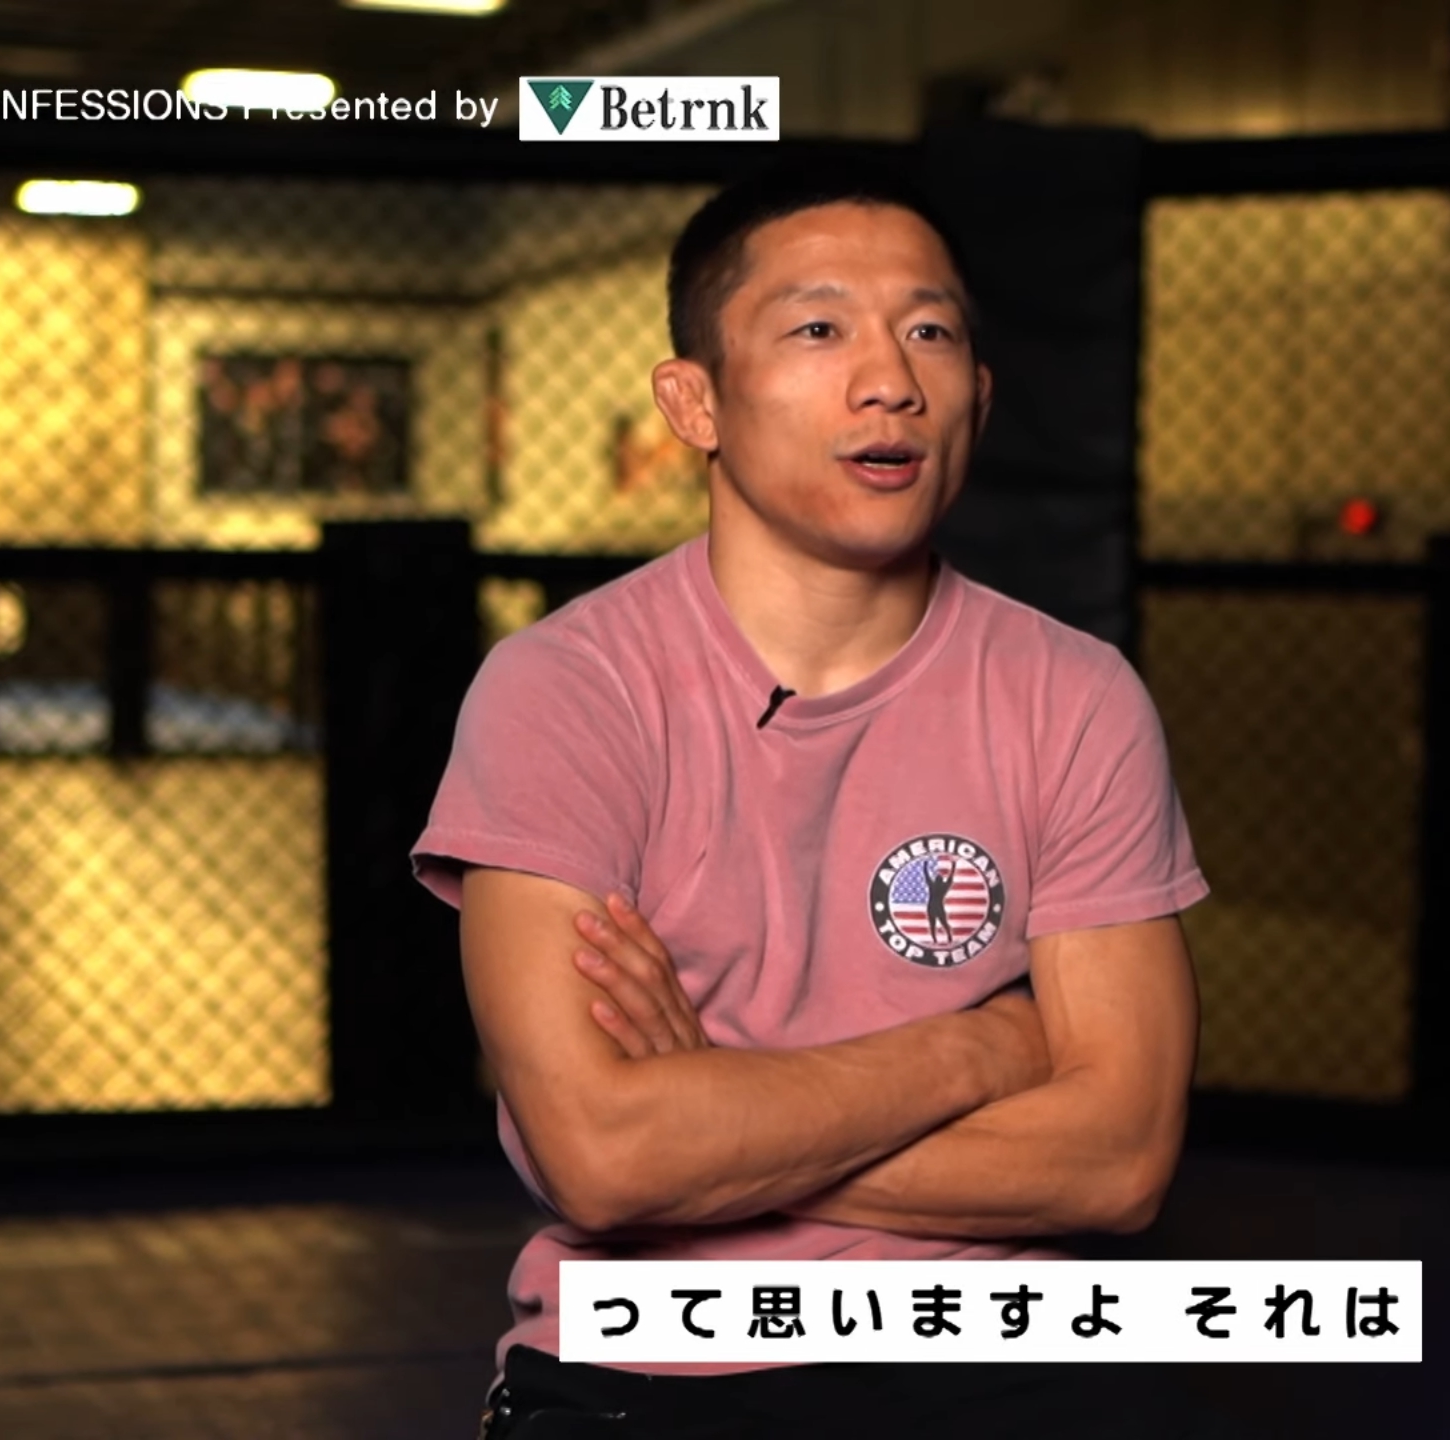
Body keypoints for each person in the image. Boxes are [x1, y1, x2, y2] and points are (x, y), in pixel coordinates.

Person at [411, 157, 1209, 1438]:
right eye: (819, 329)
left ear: (980, 395)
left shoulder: (1075, 695)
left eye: (930, 332)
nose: (890, 379)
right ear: (695, 401)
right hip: (654, 1368)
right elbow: (604, 1158)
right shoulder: (566, 688)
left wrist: (721, 1110)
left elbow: (1117, 1162)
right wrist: (979, 1048)